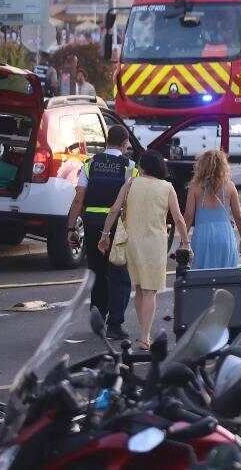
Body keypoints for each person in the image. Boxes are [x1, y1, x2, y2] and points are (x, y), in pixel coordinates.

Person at [97, 149, 186, 342]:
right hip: (155, 242)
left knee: (138, 288)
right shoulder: (167, 187)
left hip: (132, 241)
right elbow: (178, 219)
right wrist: (185, 242)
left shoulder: (130, 183)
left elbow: (114, 210)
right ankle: (145, 337)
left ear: (143, 167)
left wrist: (104, 235)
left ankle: (143, 331)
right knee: (149, 291)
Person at [68, 123, 134, 339]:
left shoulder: (90, 164)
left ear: (106, 141)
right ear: (124, 144)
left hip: (92, 223)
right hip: (116, 226)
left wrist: (71, 228)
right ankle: (115, 325)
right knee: (119, 275)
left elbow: (79, 198)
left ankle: (97, 317)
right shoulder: (129, 166)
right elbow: (131, 199)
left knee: (97, 272)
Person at [186, 150, 241, 270]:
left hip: (202, 235)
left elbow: (188, 216)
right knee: (226, 275)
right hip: (225, 235)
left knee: (201, 275)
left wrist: (183, 240)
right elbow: (239, 216)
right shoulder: (230, 186)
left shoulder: (195, 187)